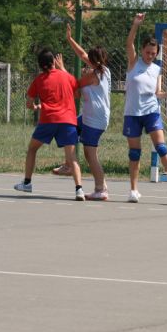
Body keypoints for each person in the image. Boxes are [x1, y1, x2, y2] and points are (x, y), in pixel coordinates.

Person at [13, 48, 85, 201]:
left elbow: (29, 103)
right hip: (68, 120)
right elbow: (78, 93)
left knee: (32, 149)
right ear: (54, 62)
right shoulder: (66, 76)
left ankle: (27, 182)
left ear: (40, 65)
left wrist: (35, 107)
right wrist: (63, 69)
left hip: (48, 119)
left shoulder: (38, 80)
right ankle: (79, 189)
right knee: (72, 157)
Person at [123, 13, 167, 203]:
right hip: (132, 113)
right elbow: (129, 43)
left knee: (161, 146)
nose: (150, 56)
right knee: (134, 153)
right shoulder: (134, 63)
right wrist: (135, 24)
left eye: (153, 54)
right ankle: (133, 190)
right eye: (147, 52)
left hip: (151, 111)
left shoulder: (156, 69)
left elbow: (157, 93)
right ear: (142, 50)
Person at [51, 24, 111, 200]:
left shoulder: (94, 75)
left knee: (90, 155)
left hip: (95, 120)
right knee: (68, 129)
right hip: (90, 117)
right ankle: (69, 165)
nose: (86, 61)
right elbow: (82, 54)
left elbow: (73, 85)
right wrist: (70, 39)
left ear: (93, 61)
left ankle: (101, 189)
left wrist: (62, 69)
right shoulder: (104, 70)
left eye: (89, 60)